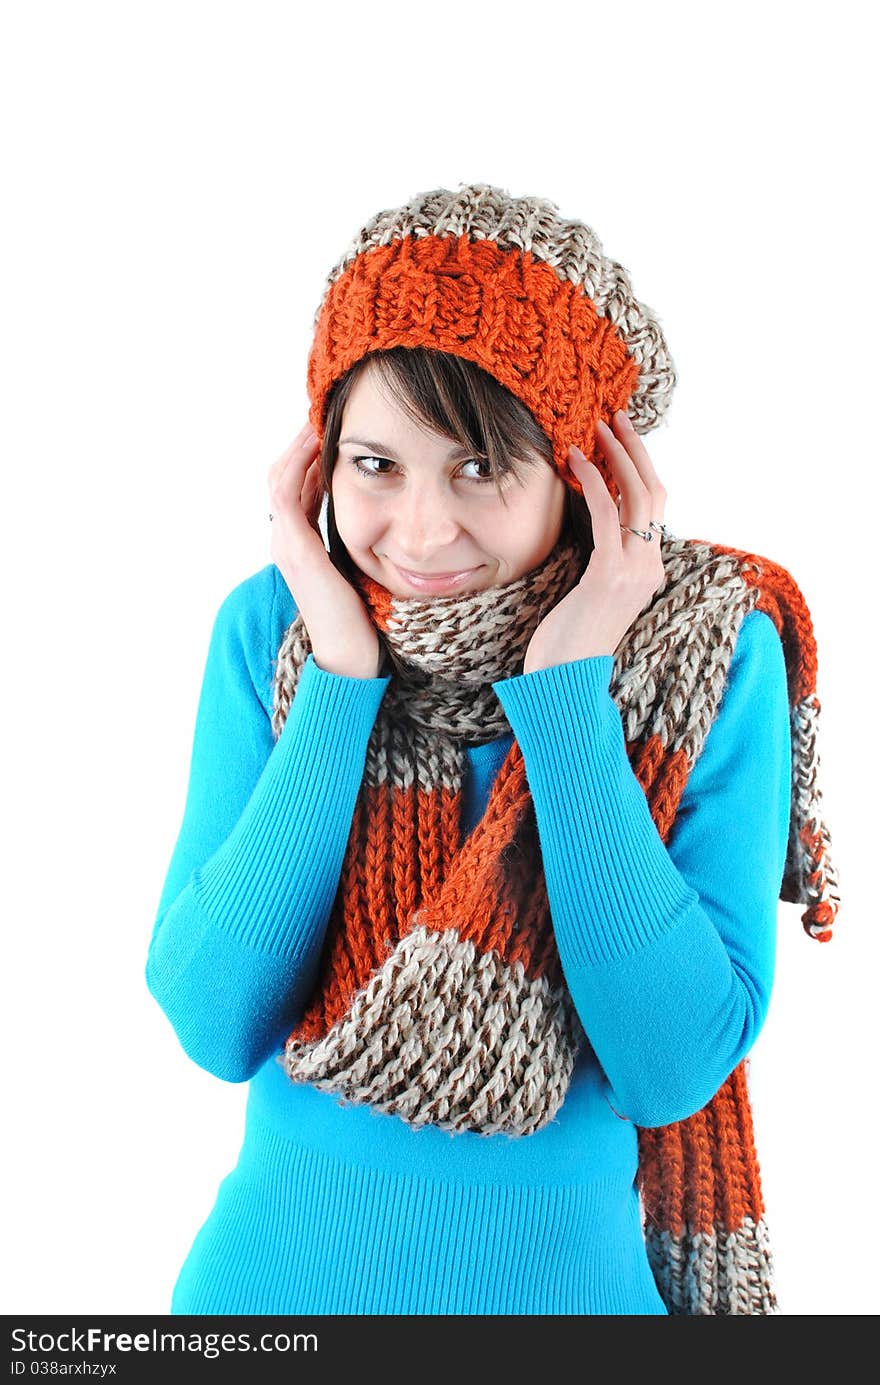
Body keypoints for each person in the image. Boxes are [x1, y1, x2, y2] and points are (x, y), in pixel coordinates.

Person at [146, 182, 839, 1316]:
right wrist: (337, 682)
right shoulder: (277, 631)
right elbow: (214, 1020)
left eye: (478, 466)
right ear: (319, 461)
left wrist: (566, 698)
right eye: (375, 465)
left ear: (584, 470)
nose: (419, 531)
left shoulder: (707, 653)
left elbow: (672, 1064)